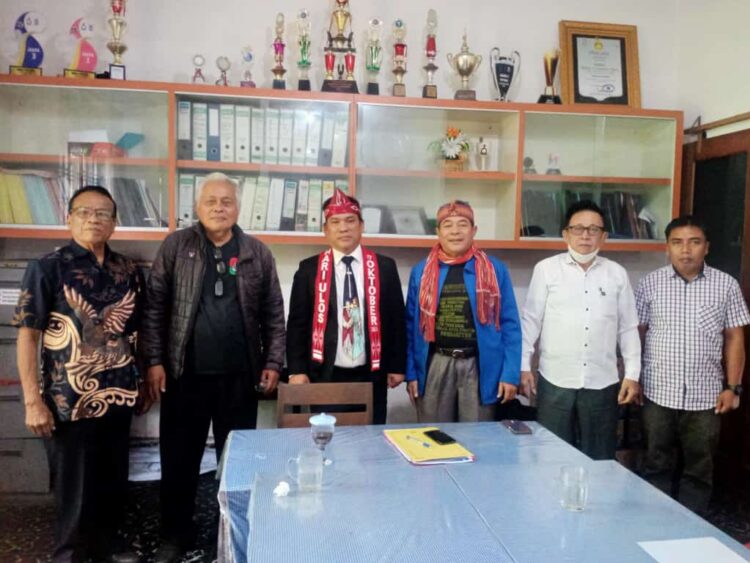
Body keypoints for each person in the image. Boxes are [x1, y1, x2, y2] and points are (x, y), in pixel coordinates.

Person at [140, 172, 285, 562]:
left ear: (237, 208)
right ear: (197, 206)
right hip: (184, 375)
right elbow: (154, 308)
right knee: (179, 461)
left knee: (237, 463)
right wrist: (154, 361)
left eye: (226, 201)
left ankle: (234, 534)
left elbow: (274, 312)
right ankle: (174, 535)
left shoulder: (256, 251)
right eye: (211, 201)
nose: (219, 208)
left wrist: (273, 360)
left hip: (240, 377)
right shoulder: (176, 246)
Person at [13, 185, 143, 563]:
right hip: (67, 398)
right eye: (84, 212)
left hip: (118, 393)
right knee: (73, 487)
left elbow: (138, 330)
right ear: (68, 218)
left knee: (113, 478)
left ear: (115, 223)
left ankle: (110, 545)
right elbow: (28, 335)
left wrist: (143, 378)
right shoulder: (46, 267)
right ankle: (67, 553)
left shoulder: (128, 270)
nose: (93, 219)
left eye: (103, 213)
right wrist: (32, 400)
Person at [635, 215, 749, 513]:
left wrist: (733, 388)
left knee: (699, 468)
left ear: (707, 247)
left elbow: (735, 338)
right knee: (655, 461)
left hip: (706, 396)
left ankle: (691, 528)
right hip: (658, 392)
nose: (686, 250)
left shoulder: (726, 285)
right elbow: (637, 334)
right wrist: (633, 379)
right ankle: (652, 521)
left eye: (694, 242)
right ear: (667, 248)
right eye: (677, 242)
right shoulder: (650, 284)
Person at [520, 200, 641, 460]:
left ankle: (596, 501)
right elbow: (530, 322)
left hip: (602, 382)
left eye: (593, 229)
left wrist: (632, 374)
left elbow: (629, 328)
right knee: (550, 455)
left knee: (599, 457)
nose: (585, 235)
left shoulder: (617, 274)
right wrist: (523, 366)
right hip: (555, 380)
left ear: (604, 236)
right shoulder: (546, 270)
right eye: (578, 228)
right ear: (566, 233)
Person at [286, 189, 406, 424]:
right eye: (335, 222)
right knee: (328, 441)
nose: (344, 228)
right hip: (325, 374)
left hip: (372, 373)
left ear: (361, 226)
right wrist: (296, 370)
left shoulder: (384, 267)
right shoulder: (309, 270)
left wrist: (397, 365)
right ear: (325, 229)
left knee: (370, 444)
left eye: (351, 221)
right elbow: (297, 324)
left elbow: (396, 320)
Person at [405, 200, 521, 422]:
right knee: (433, 437)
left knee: (478, 439)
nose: (455, 231)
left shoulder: (494, 270)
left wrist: (510, 374)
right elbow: (410, 327)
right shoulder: (421, 272)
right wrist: (411, 373)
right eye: (447, 225)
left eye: (462, 224)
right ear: (438, 232)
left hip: (480, 365)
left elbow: (510, 325)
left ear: (474, 230)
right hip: (436, 364)